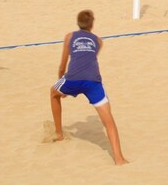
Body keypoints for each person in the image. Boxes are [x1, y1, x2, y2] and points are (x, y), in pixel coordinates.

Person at [50, 9, 128, 165]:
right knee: (109, 121)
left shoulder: (69, 37)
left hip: (72, 79)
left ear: (78, 23)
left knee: (53, 93)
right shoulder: (98, 41)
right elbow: (89, 60)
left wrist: (62, 84)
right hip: (93, 81)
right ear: (92, 24)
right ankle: (119, 159)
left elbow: (62, 66)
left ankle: (59, 133)